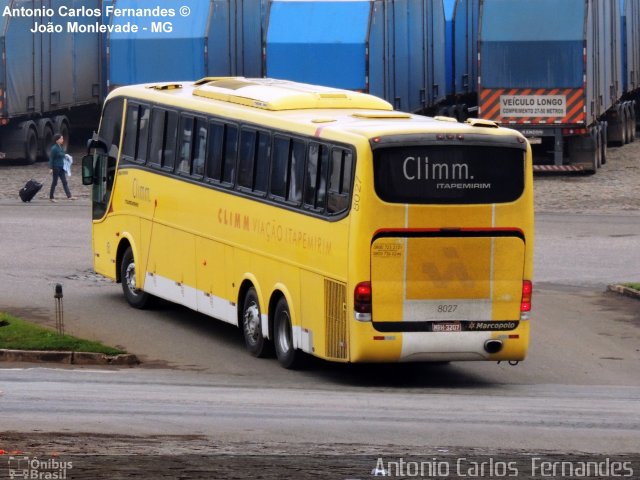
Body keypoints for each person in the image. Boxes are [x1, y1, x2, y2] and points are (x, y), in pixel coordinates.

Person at [48, 134, 76, 202]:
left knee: (64, 181)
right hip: (56, 167)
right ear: (57, 140)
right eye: (61, 139)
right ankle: (51, 197)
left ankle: (69, 196)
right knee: (55, 182)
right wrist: (51, 168)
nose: (62, 140)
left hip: (61, 167)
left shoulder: (60, 147)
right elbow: (51, 158)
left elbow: (62, 155)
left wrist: (66, 157)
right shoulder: (54, 148)